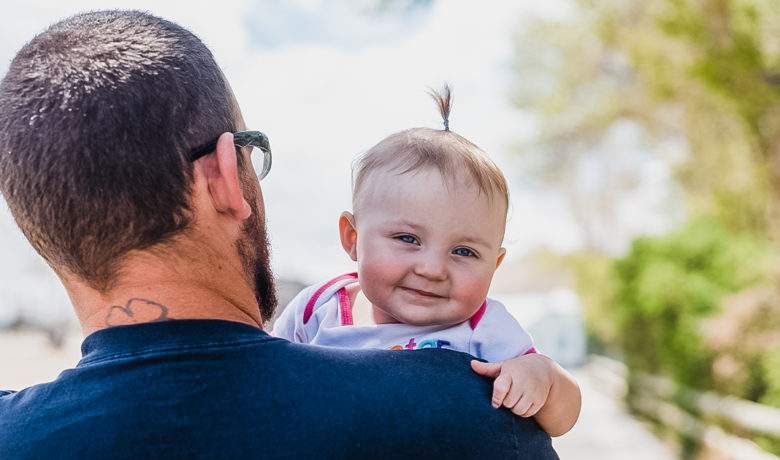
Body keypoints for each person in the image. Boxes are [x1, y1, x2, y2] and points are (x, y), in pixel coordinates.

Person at [0, 10, 560, 460]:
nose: (432, 267)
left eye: (463, 250)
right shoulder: (470, 413)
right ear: (223, 174)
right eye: (251, 151)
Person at [272, 86, 581, 437]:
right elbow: (265, 371)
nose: (432, 270)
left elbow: (564, 419)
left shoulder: (484, 328)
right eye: (408, 239)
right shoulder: (318, 308)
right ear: (353, 238)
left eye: (464, 252)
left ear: (494, 266)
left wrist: (543, 379)